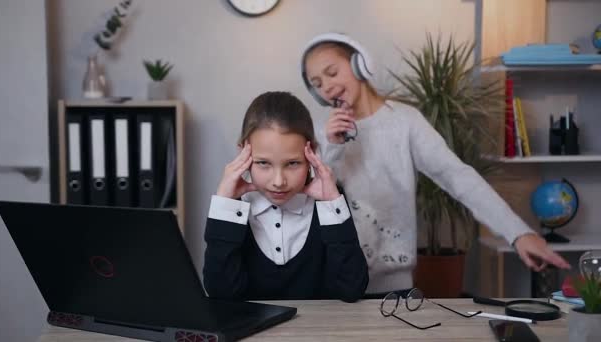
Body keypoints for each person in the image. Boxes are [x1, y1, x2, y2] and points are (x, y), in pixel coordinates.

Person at [300, 32, 571, 296]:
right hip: (338, 282)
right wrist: (332, 146)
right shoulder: (323, 133)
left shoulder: (405, 121)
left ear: (360, 64)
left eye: (332, 73)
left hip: (396, 285)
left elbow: (457, 176)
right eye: (318, 82)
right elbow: (309, 194)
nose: (327, 86)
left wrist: (518, 233)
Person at [203, 91, 369, 302]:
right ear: (243, 153)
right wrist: (225, 206)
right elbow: (221, 294)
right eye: (264, 163)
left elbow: (352, 289)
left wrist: (332, 204)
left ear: (312, 154)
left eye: (292, 163)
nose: (279, 181)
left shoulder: (329, 204)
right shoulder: (232, 210)